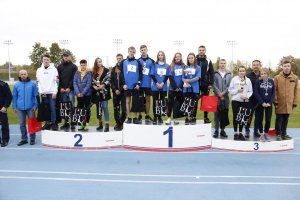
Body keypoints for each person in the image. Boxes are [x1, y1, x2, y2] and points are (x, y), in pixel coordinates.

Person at [13, 70, 39, 145]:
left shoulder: (32, 84)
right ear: (19, 75)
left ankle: (32, 139)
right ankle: (24, 139)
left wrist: (35, 106)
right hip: (19, 108)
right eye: (22, 74)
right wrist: (14, 106)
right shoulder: (16, 84)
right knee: (22, 124)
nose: (23, 75)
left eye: (25, 74)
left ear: (27, 74)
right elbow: (14, 96)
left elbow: (35, 96)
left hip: (30, 108)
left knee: (32, 123)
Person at [274, 60, 298, 141]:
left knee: (286, 119)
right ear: (282, 67)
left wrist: (295, 102)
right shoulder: (277, 77)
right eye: (285, 66)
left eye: (288, 66)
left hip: (289, 103)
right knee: (279, 119)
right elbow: (275, 90)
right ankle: (278, 134)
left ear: (290, 67)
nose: (287, 67)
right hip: (280, 102)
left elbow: (296, 91)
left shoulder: (295, 78)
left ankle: (284, 133)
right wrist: (275, 101)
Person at [229, 66, 253, 141]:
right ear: (238, 72)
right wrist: (237, 91)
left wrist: (246, 96)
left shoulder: (248, 80)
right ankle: (235, 133)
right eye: (240, 71)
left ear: (245, 72)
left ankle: (240, 133)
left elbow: (250, 91)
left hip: (244, 101)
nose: (242, 72)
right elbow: (230, 90)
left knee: (243, 117)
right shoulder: (234, 79)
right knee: (236, 116)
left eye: (243, 71)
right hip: (236, 100)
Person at [36, 53, 59, 131]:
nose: (46, 61)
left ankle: (54, 123)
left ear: (50, 60)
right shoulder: (39, 70)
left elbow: (56, 82)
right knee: (46, 109)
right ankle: (47, 122)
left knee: (52, 108)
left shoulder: (54, 69)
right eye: (44, 60)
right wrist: (41, 92)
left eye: (47, 60)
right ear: (42, 60)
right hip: (44, 93)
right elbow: (38, 82)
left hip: (52, 93)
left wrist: (55, 92)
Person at [121, 46, 143, 124]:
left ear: (135, 53)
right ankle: (129, 117)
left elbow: (141, 73)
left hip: (135, 86)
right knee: (127, 101)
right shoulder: (123, 62)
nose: (132, 53)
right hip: (127, 85)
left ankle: (135, 117)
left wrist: (138, 84)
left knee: (135, 102)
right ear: (128, 51)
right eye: (130, 51)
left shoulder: (137, 62)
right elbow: (121, 74)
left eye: (133, 52)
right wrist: (123, 84)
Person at [57, 50, 78, 130]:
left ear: (70, 56)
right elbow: (58, 79)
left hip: (71, 90)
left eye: (67, 55)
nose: (65, 57)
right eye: (64, 55)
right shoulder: (59, 66)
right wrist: (61, 88)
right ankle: (66, 123)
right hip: (62, 91)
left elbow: (74, 79)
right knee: (64, 107)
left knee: (72, 107)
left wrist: (69, 87)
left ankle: (73, 123)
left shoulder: (74, 66)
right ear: (63, 57)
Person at [254, 67, 275, 141]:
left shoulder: (271, 81)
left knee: (268, 119)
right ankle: (261, 133)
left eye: (264, 73)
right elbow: (256, 92)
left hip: (269, 104)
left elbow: (273, 93)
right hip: (260, 103)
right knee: (260, 119)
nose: (263, 75)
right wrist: (262, 102)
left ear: (268, 74)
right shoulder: (258, 81)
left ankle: (266, 133)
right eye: (261, 74)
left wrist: (269, 103)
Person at [213, 59, 232, 138]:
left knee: (224, 114)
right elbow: (213, 84)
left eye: (224, 63)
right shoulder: (215, 73)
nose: (223, 64)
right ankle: (216, 131)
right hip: (216, 97)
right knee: (216, 115)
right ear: (219, 64)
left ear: (226, 64)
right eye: (221, 63)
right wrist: (219, 93)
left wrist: (223, 93)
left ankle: (222, 130)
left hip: (225, 98)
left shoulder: (229, 74)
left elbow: (229, 86)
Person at [91, 57, 111, 132]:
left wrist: (103, 85)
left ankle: (107, 125)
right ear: (95, 63)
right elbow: (91, 81)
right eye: (97, 62)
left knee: (105, 107)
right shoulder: (93, 71)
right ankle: (100, 124)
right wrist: (94, 86)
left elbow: (109, 79)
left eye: (100, 61)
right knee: (98, 108)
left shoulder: (106, 70)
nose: (99, 63)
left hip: (104, 92)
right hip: (96, 93)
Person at [151, 51, 170, 125]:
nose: (160, 56)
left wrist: (162, 83)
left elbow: (167, 76)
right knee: (155, 102)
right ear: (157, 56)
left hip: (163, 87)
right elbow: (152, 75)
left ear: (164, 56)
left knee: (162, 103)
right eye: (159, 55)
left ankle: (160, 117)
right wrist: (157, 83)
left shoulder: (167, 66)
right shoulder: (154, 65)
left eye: (162, 55)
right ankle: (155, 117)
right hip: (155, 87)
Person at [196, 45, 214, 123]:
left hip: (205, 84)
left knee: (205, 101)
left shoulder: (208, 60)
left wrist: (210, 83)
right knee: (194, 100)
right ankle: (193, 116)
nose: (201, 51)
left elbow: (211, 72)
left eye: (203, 50)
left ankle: (205, 117)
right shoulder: (194, 59)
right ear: (198, 51)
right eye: (200, 50)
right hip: (195, 83)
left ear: (205, 51)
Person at [182, 53, 201, 125]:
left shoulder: (198, 67)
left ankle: (193, 117)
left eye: (192, 58)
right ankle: (187, 117)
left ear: (194, 58)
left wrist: (189, 81)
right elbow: (183, 77)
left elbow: (198, 77)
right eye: (189, 58)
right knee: (186, 103)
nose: (190, 59)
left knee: (194, 104)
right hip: (187, 88)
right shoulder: (185, 67)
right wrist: (186, 82)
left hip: (195, 88)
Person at [73, 59, 92, 131]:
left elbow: (88, 84)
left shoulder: (89, 73)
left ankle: (86, 125)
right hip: (79, 95)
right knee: (80, 110)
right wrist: (78, 93)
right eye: (81, 65)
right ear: (80, 65)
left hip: (87, 95)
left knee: (87, 110)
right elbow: (74, 82)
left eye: (84, 65)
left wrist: (83, 93)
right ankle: (81, 125)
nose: (83, 66)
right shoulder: (77, 73)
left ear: (86, 65)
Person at [166, 52, 184, 125]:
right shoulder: (171, 66)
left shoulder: (184, 66)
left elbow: (185, 77)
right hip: (172, 89)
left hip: (180, 89)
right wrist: (175, 87)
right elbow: (170, 77)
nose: (177, 58)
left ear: (181, 57)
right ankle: (169, 118)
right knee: (170, 103)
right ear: (174, 58)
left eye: (179, 56)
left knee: (177, 104)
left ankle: (176, 118)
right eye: (176, 56)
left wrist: (180, 87)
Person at [138, 45, 154, 124]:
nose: (143, 51)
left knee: (148, 100)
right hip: (140, 84)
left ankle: (147, 116)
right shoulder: (137, 61)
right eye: (142, 50)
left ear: (147, 50)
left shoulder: (151, 60)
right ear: (140, 51)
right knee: (140, 100)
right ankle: (140, 116)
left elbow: (153, 73)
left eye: (144, 49)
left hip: (148, 84)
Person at [245, 60, 261, 138]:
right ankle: (247, 131)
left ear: (260, 66)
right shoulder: (247, 76)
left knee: (258, 117)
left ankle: (256, 131)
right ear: (252, 66)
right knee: (248, 116)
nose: (255, 66)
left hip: (259, 101)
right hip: (250, 100)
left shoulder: (263, 75)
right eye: (254, 65)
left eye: (257, 65)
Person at [111, 54, 126, 131]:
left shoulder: (124, 69)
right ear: (116, 59)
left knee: (124, 110)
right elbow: (111, 81)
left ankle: (122, 123)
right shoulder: (113, 69)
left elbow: (124, 81)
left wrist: (120, 90)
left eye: (120, 58)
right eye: (118, 58)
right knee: (116, 109)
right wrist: (115, 89)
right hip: (115, 92)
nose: (119, 60)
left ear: (122, 59)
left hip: (123, 92)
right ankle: (118, 123)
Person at [0, 79, 12, 147]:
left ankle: (5, 140)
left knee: (4, 124)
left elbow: (8, 96)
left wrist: (5, 106)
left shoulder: (3, 84)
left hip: (2, 108)